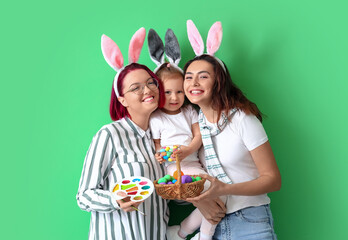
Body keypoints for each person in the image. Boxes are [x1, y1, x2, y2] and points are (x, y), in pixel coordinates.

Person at [183, 20, 281, 240]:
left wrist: (225, 189)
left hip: (250, 221)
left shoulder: (242, 119)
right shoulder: (193, 125)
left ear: (218, 81)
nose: (194, 82)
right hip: (212, 224)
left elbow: (273, 179)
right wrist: (200, 201)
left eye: (203, 76)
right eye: (188, 77)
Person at [76, 29, 169, 240]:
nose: (147, 90)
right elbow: (84, 196)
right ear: (122, 100)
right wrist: (115, 200)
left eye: (151, 82)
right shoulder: (110, 134)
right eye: (136, 88)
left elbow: (167, 193)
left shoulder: (164, 138)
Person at [149, 64, 222, 240]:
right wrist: (161, 153)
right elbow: (157, 145)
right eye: (168, 92)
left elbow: (199, 136)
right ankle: (199, 236)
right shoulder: (157, 117)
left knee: (219, 198)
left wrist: (188, 149)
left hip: (194, 166)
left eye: (179, 91)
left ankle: (181, 233)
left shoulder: (189, 111)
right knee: (217, 195)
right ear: (159, 92)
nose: (174, 97)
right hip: (175, 172)